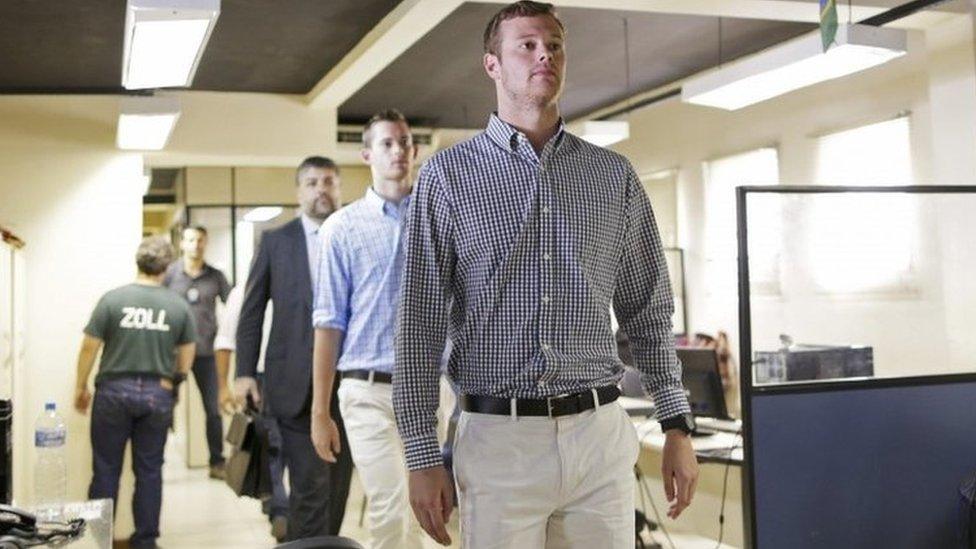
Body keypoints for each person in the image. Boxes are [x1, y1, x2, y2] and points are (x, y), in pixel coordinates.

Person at [392, 2, 700, 547]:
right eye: (527, 45)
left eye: (554, 46)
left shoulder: (612, 176)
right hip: (497, 441)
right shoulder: (447, 176)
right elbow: (418, 323)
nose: (544, 56)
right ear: (492, 65)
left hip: (599, 436)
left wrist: (677, 424)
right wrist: (420, 453)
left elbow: (648, 311)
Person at [310, 109, 425, 549]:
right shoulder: (341, 228)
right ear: (366, 155)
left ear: (414, 151)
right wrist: (321, 412)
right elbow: (327, 323)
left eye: (404, 142)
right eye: (387, 143)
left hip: (428, 389)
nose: (398, 151)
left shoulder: (439, 218)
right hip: (365, 390)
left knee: (425, 509)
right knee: (389, 506)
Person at [234, 156, 353, 540]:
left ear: (338, 189)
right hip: (292, 385)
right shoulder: (276, 242)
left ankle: (325, 545)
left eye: (329, 182)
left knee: (337, 487)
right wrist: (244, 372)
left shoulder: (354, 234)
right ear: (299, 191)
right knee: (310, 487)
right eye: (313, 182)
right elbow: (251, 312)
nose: (322, 189)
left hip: (349, 382)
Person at [74, 237, 196, 549]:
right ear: (166, 267)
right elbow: (187, 352)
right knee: (150, 472)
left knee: (105, 470)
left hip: (113, 391)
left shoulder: (113, 300)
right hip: (157, 394)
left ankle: (98, 541)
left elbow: (90, 345)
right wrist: (175, 379)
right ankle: (145, 541)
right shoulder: (177, 305)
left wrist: (80, 386)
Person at [214, 286, 289, 541]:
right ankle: (279, 508)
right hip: (260, 378)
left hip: (294, 376)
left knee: (280, 445)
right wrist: (224, 386)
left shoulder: (296, 278)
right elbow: (224, 341)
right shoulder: (244, 288)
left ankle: (274, 501)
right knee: (274, 445)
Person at [163, 226, 231, 479]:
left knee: (213, 410)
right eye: (191, 240)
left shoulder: (216, 277)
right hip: (174, 353)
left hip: (206, 352)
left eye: (200, 240)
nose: (196, 244)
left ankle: (217, 463)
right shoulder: (170, 275)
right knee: (165, 405)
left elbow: (234, 306)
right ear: (182, 244)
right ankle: (157, 462)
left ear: (206, 243)